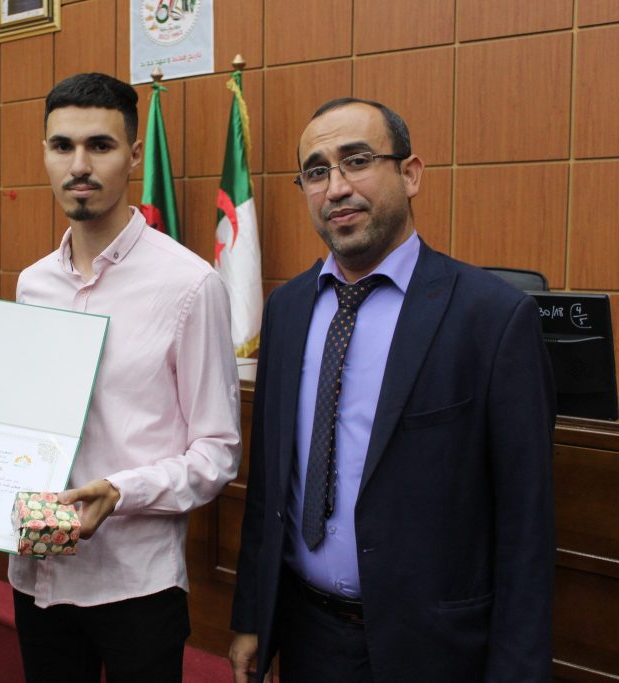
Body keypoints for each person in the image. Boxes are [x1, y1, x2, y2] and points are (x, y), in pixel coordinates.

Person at [0, 72, 241, 682]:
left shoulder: (190, 285)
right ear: (45, 152)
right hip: (38, 566)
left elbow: (217, 452)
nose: (79, 165)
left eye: (100, 145)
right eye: (62, 146)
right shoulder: (33, 282)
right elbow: (23, 415)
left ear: (134, 155)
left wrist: (120, 490)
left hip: (135, 579)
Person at [228, 97, 556, 682]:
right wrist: (253, 616)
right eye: (316, 171)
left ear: (410, 174)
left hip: (434, 648)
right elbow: (271, 483)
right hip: (305, 635)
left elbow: (526, 526)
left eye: (357, 161)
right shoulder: (287, 308)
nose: (336, 188)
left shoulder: (493, 318)